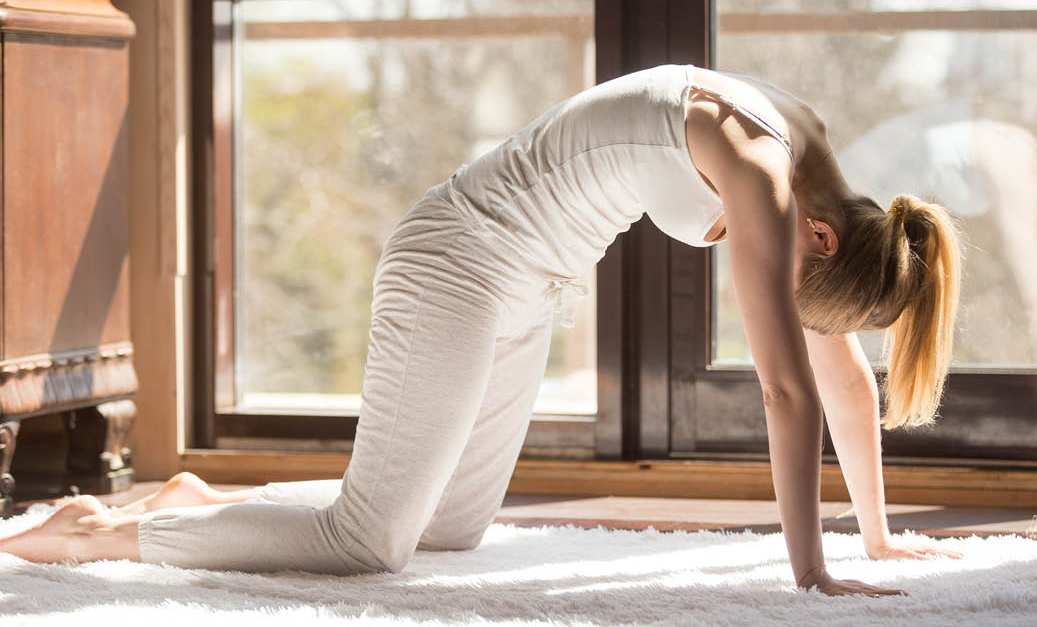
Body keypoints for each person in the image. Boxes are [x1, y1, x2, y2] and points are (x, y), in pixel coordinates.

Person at [1, 64, 963, 596]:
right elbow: (787, 389)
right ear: (821, 239)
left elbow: (835, 374)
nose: (787, 314)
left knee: (450, 532)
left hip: (528, 286)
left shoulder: (823, 186)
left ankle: (197, 498)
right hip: (453, 261)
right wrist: (811, 572)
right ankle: (106, 535)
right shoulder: (760, 168)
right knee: (366, 547)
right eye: (802, 297)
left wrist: (875, 537)